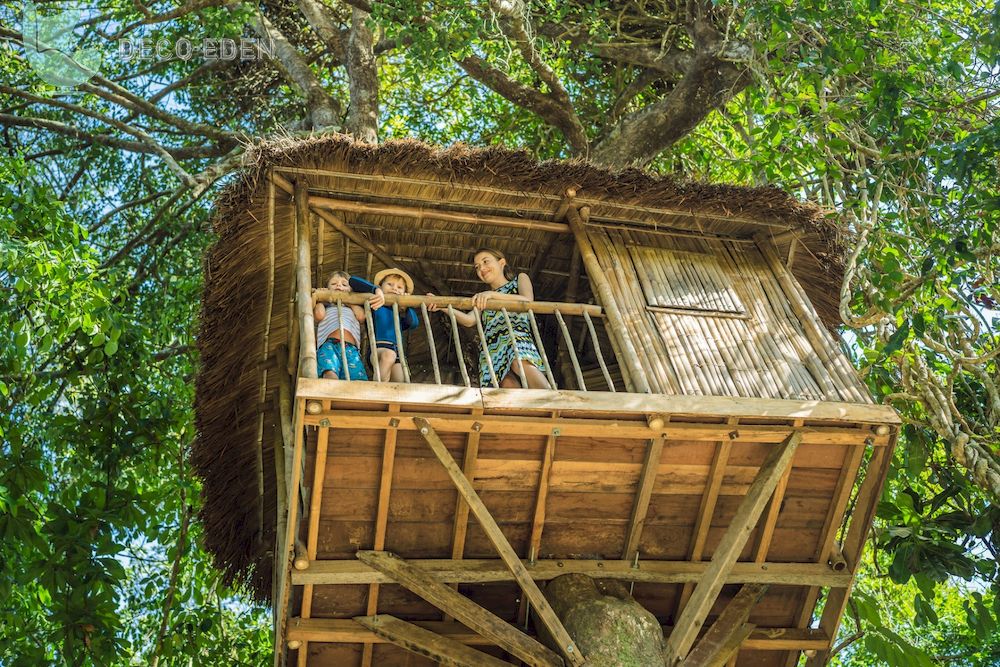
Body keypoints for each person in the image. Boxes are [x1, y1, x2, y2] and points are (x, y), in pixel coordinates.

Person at [429, 248, 550, 389]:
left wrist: (492, 295)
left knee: (520, 362)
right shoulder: (483, 296)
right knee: (507, 384)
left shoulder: (519, 280)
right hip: (491, 348)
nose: (482, 268)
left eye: (485, 262)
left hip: (515, 338)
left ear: (502, 262)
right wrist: (442, 306)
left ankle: (552, 400)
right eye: (477, 266)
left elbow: (528, 300)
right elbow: (469, 320)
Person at [314, 270, 382, 380]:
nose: (339, 286)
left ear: (351, 290)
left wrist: (349, 300)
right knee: (329, 373)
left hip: (351, 348)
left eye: (344, 284)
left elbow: (361, 317)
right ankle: (330, 395)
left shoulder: (353, 308)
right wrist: (322, 298)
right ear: (327, 289)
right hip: (329, 345)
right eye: (333, 284)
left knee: (356, 379)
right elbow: (318, 315)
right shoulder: (327, 307)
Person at [363, 268, 420, 382]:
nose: (394, 288)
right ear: (381, 286)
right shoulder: (375, 305)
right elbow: (353, 281)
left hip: (397, 352)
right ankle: (375, 391)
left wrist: (406, 305)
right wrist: (376, 290)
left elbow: (413, 323)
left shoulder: (397, 317)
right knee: (389, 355)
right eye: (390, 284)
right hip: (378, 349)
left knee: (400, 384)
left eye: (399, 287)